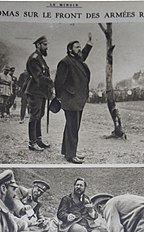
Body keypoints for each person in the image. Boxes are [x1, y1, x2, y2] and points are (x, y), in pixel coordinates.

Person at [54, 34, 93, 164]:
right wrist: (59, 97)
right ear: (70, 49)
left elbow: (83, 55)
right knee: (73, 127)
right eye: (77, 47)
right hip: (70, 99)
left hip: (78, 99)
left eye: (80, 47)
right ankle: (71, 155)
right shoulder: (65, 62)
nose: (79, 49)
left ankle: (67, 151)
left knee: (71, 126)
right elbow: (58, 81)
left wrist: (89, 44)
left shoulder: (77, 60)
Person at [26, 36, 53, 151]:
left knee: (39, 116)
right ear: (38, 45)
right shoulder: (34, 58)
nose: (47, 47)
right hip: (35, 91)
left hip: (41, 92)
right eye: (45, 45)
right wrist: (51, 82)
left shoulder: (40, 58)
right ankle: (32, 143)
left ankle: (38, 140)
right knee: (34, 116)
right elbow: (38, 77)